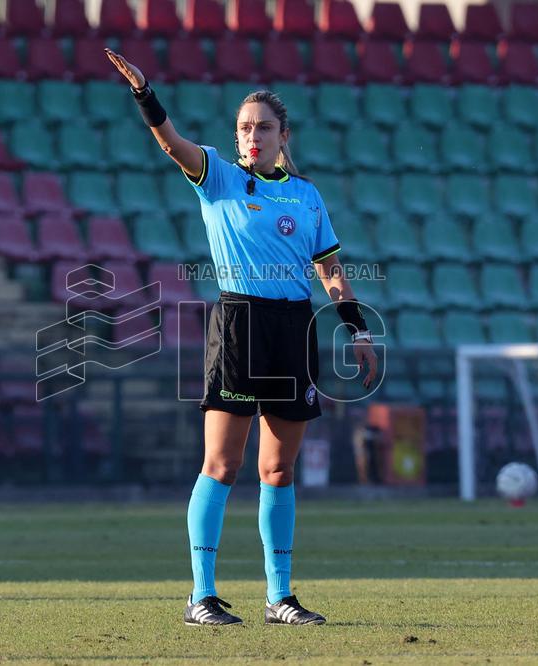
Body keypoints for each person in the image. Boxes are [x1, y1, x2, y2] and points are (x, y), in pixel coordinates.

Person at [106, 48, 379, 627]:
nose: (253, 135)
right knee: (222, 464)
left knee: (278, 470)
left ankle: (280, 597)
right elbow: (170, 142)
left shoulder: (307, 196)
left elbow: (329, 270)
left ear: (284, 135)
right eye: (245, 127)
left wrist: (356, 329)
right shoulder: (218, 177)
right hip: (239, 326)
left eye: (264, 127)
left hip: (293, 328)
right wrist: (145, 95)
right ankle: (200, 595)